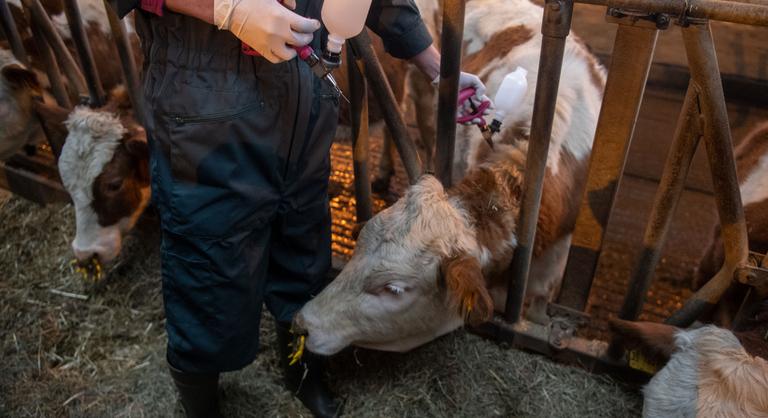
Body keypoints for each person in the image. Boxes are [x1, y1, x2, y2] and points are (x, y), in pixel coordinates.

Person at [113, 0, 490, 416]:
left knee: (303, 247)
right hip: (207, 97)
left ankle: (302, 371)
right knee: (209, 259)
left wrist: (438, 68)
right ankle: (202, 403)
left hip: (305, 94)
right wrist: (226, 8)